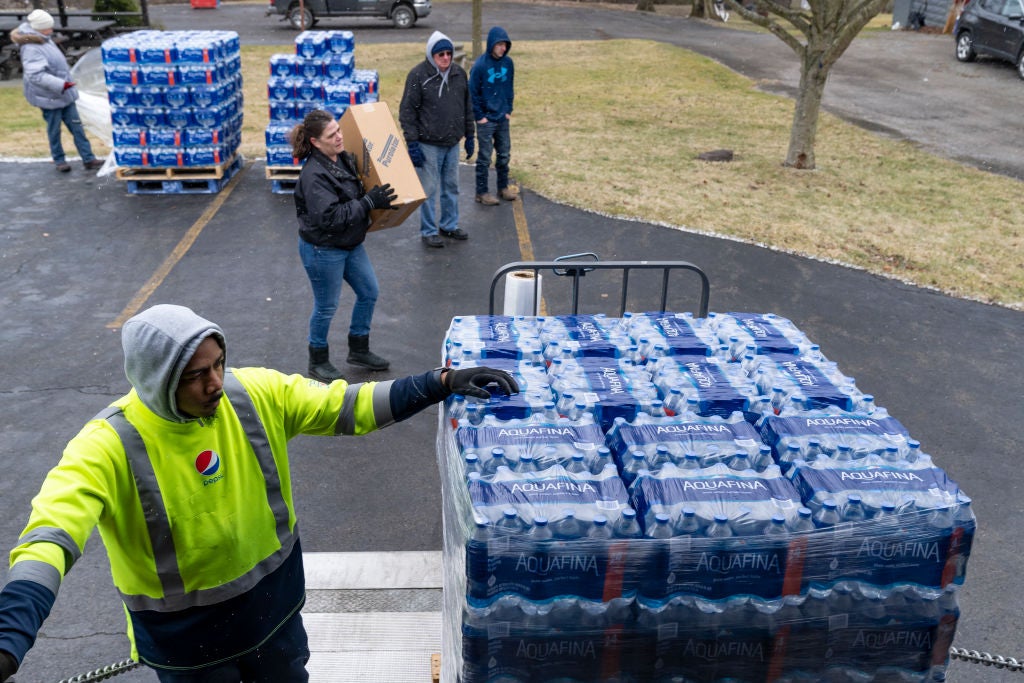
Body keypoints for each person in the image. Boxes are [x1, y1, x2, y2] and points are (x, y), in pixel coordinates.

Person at [0, 304, 518, 682]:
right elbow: (51, 534)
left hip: (275, 616)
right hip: (191, 647)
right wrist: (12, 633)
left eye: (219, 363)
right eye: (197, 375)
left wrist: (439, 382)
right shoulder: (108, 445)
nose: (217, 382)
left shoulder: (253, 395)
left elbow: (349, 406)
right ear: (158, 380)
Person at [291, 109, 397, 382]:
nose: (339, 137)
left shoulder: (342, 158)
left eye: (339, 130)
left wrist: (373, 197)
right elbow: (330, 218)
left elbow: (356, 192)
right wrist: (368, 203)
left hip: (350, 243)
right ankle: (318, 360)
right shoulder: (314, 175)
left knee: (369, 291)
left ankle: (358, 349)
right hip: (323, 249)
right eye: (332, 135)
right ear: (315, 142)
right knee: (326, 306)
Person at [399, 30, 476, 249]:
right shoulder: (417, 76)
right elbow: (407, 111)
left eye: (448, 54)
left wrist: (470, 135)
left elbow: (467, 106)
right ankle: (429, 230)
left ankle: (449, 225)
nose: (445, 58)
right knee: (429, 189)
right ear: (431, 55)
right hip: (427, 144)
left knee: (451, 187)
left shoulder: (459, 74)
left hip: (452, 142)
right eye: (440, 54)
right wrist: (412, 143)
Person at [11, 10, 104, 173]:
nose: (52, 30)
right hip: (49, 97)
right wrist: (62, 84)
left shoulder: (43, 39)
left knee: (77, 127)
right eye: (48, 27)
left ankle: (88, 158)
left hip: (64, 93)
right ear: (38, 28)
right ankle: (59, 160)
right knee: (54, 130)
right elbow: (36, 75)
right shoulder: (32, 47)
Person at [469, 26, 518, 206]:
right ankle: (481, 192)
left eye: (505, 45)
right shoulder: (480, 66)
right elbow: (473, 93)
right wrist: (480, 116)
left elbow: (509, 88)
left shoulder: (508, 64)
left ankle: (503, 187)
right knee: (485, 156)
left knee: (504, 154)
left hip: (502, 118)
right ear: (491, 44)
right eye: (499, 45)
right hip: (486, 120)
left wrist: (508, 110)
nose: (503, 48)